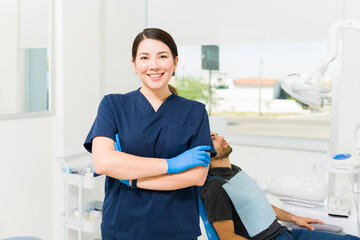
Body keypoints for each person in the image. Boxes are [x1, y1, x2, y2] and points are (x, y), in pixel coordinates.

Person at [84, 28, 217, 240]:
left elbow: (196, 176)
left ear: (174, 62)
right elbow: (102, 163)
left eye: (162, 57)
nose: (154, 65)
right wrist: (172, 164)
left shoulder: (195, 112)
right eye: (144, 57)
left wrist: (132, 179)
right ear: (134, 65)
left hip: (177, 230)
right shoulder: (113, 105)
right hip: (121, 228)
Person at [201, 132, 360, 240]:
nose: (221, 137)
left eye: (218, 134)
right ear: (205, 152)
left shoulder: (234, 170)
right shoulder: (214, 187)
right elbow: (228, 237)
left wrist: (295, 218)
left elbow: (259, 203)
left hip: (287, 234)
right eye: (213, 138)